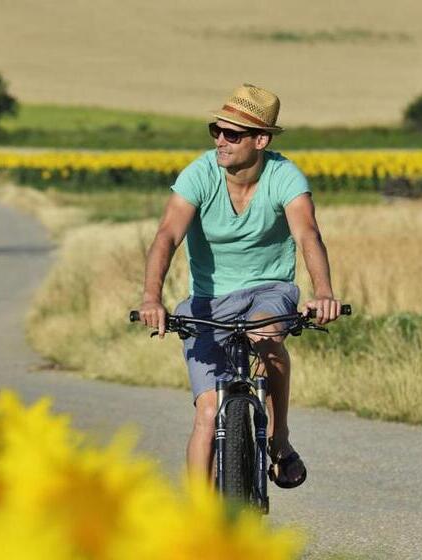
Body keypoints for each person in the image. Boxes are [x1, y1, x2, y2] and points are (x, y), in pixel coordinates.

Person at [137, 84, 342, 488]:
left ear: (260, 140)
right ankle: (198, 518)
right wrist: (151, 297)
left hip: (269, 290)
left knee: (268, 334)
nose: (220, 141)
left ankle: (278, 439)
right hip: (208, 302)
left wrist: (324, 292)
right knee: (208, 410)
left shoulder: (284, 175)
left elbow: (308, 235)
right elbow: (166, 236)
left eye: (232, 134)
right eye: (216, 130)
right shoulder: (199, 173)